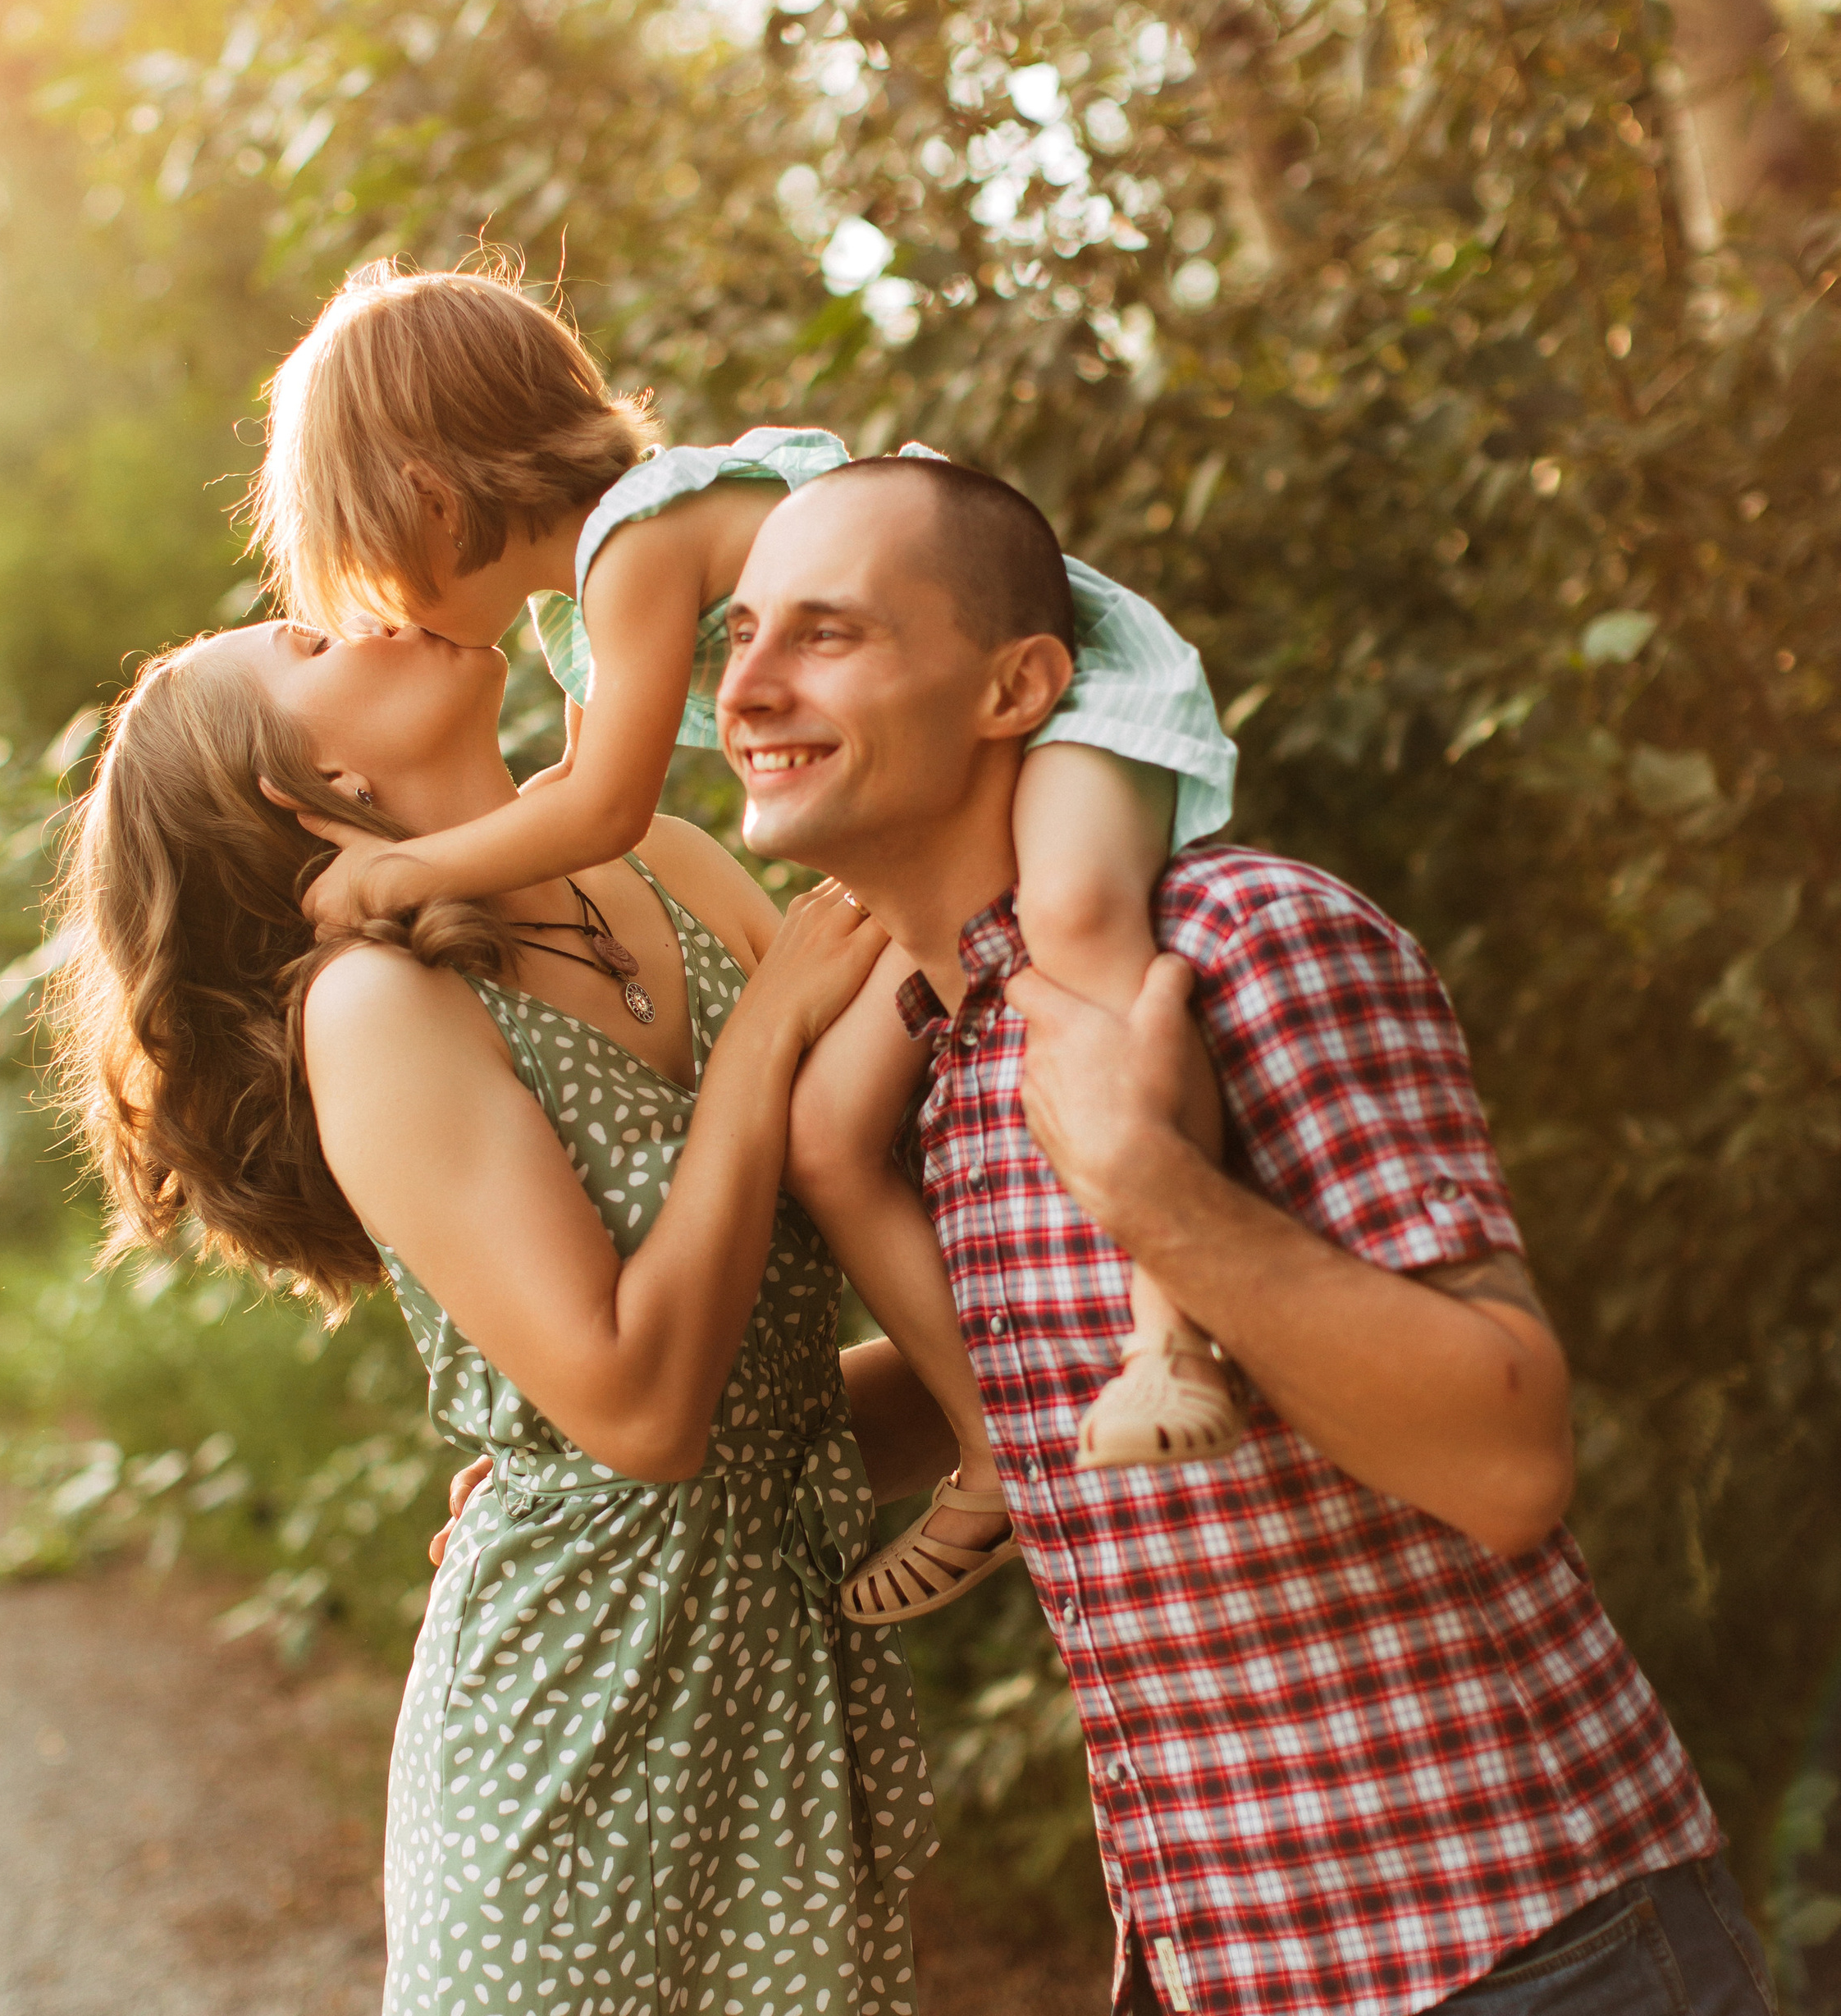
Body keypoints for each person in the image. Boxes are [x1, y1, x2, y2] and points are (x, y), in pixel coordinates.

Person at [715, 455, 1776, 2016]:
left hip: (1526, 1949)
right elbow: (1021, 1378)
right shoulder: (947, 1050)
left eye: (826, 634)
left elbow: (1507, 1457)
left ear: (1019, 686)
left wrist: (1150, 1190)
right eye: (737, 635)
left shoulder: (1244, 945)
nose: (747, 684)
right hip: (1235, 1953)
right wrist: (626, 1469)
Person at [244, 258, 1250, 1625]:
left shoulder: (637, 545)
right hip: (966, 776)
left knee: (1078, 937)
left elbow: (605, 808)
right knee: (834, 1133)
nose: (391, 618)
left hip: (1063, 700)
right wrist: (557, 1461)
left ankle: (1176, 1322)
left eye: (370, 574)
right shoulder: (577, 613)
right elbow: (587, 799)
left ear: (428, 494)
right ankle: (993, 1441)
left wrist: (407, 871)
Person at [45, 610, 963, 2016]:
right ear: (312, 788)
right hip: (568, 1756)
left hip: (775, 1717)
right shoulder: (376, 1005)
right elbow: (648, 1416)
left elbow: (779, 1414)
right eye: (307, 643)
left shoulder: (664, 857)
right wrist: (766, 1036)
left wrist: (1051, 1369)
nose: (373, 610)